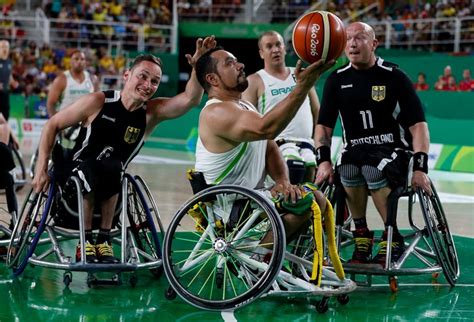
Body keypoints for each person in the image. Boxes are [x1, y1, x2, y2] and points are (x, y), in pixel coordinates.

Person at [32, 36, 216, 264]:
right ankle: (86, 242)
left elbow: (190, 99)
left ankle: (104, 239)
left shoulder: (150, 113)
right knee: (94, 167)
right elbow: (52, 125)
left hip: (113, 185)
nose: (148, 85)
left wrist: (199, 65)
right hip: (74, 183)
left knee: (115, 168)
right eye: (143, 76)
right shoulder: (99, 101)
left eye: (155, 81)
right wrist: (40, 170)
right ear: (127, 75)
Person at [194, 46, 334, 251]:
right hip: (229, 206)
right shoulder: (215, 112)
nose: (240, 65)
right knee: (306, 203)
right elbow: (267, 128)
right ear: (213, 79)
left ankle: (274, 258)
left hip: (251, 197)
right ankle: (259, 259)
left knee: (315, 198)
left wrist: (283, 182)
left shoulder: (245, 106)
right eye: (230, 63)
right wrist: (302, 87)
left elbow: (269, 147)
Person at [315, 22, 431, 266]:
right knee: (346, 168)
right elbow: (324, 127)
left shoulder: (394, 77)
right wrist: (323, 160)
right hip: (355, 151)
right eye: (347, 39)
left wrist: (420, 168)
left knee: (372, 168)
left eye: (360, 38)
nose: (353, 44)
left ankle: (393, 236)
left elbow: (418, 126)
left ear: (374, 43)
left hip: (394, 150)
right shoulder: (336, 80)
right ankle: (362, 235)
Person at [242, 31, 320, 184]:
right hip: (277, 146)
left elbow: (317, 112)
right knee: (294, 166)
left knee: (311, 175)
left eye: (278, 45)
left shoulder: (301, 75)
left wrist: (320, 144)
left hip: (307, 143)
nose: (275, 49)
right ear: (261, 53)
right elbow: (248, 122)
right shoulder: (254, 81)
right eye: (269, 46)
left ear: (284, 48)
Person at [47, 49, 100, 117]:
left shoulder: (93, 79)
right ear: (71, 62)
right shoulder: (61, 79)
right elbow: (50, 104)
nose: (79, 61)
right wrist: (54, 122)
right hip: (66, 122)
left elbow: (97, 103)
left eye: (82, 59)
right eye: (76, 59)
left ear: (85, 62)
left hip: (86, 123)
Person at [0, 40, 19, 120]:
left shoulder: (9, 62)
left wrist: (13, 82)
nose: (4, 49)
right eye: (2, 47)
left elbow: (9, 75)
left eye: (6, 47)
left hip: (5, 92)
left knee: (5, 114)